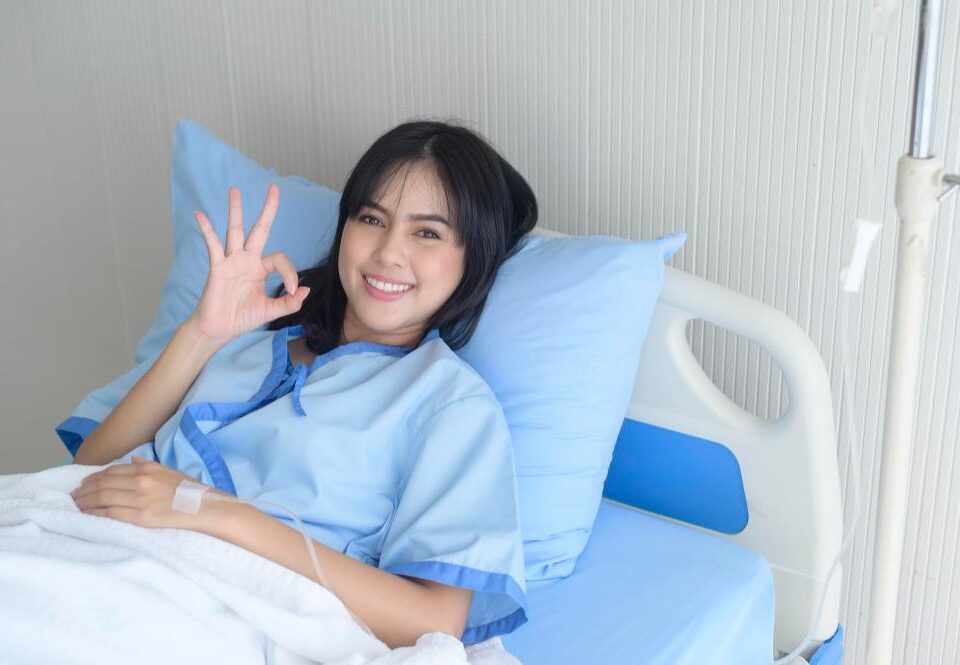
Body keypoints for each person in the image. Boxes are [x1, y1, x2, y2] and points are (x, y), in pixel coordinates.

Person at [62, 120, 538, 649]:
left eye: (427, 232)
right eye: (371, 219)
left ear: (473, 259)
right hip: (93, 557)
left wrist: (205, 509)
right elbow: (82, 473)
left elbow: (433, 622)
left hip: (218, 616)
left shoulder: (452, 405)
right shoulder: (242, 342)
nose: (387, 253)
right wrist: (201, 335)